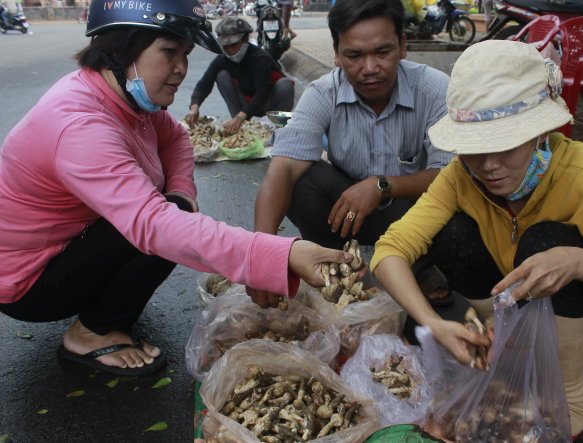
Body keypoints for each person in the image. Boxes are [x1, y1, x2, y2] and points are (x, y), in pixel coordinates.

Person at [0, 0, 350, 378]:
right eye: (169, 52)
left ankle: (105, 301)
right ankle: (90, 333)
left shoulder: (126, 97)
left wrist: (181, 193)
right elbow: (154, 225)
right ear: (119, 50)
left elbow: (177, 140)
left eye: (185, 53)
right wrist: (279, 256)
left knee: (173, 211)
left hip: (68, 247)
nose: (181, 68)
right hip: (28, 284)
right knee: (166, 225)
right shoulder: (81, 125)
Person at [371, 40, 583, 438]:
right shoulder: (461, 177)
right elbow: (391, 250)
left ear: (541, 132)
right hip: (538, 332)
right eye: (476, 148)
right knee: (453, 234)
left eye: (505, 145)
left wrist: (578, 262)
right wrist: (432, 323)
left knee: (546, 241)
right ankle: (506, 344)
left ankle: (572, 403)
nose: (489, 166)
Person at [247, 0, 452, 308]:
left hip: (413, 214)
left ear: (403, 46)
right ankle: (335, 264)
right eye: (354, 56)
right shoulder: (322, 93)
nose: (369, 68)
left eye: (382, 52)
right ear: (336, 54)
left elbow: (449, 177)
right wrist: (262, 256)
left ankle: (417, 266)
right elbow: (282, 171)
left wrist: (380, 186)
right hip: (348, 213)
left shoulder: (435, 90)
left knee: (460, 207)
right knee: (302, 180)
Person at [185, 16, 295, 135]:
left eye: (233, 44)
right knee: (222, 76)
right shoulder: (222, 59)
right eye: (225, 46)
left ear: (245, 39)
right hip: (245, 103)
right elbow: (204, 84)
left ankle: (279, 128)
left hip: (269, 102)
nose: (229, 50)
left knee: (285, 84)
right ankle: (237, 122)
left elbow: (262, 92)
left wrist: (241, 116)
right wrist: (194, 107)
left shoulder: (260, 57)